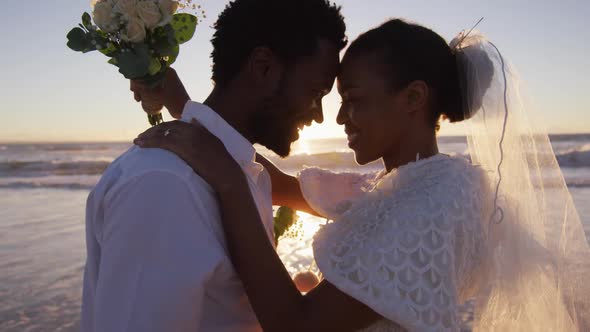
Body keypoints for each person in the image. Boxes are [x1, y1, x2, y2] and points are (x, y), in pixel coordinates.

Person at [135, 18, 590, 331]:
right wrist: (184, 104)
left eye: (353, 98)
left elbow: (295, 326)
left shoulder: (438, 201)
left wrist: (230, 185)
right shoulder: (404, 185)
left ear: (413, 98)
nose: (340, 118)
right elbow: (279, 184)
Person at [80, 1, 347, 331]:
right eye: (315, 92)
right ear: (263, 67)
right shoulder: (165, 184)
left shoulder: (241, 172)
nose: (319, 115)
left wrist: (185, 108)